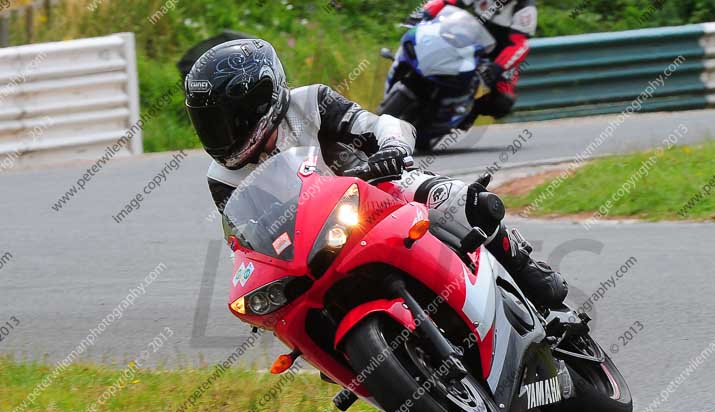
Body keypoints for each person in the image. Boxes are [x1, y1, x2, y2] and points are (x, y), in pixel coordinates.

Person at [184, 39, 567, 311]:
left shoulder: (310, 102)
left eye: (228, 119)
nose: (221, 133)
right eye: (209, 123)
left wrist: (392, 149)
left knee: (461, 202)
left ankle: (522, 266)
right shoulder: (222, 178)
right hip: (315, 246)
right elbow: (248, 243)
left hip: (380, 191)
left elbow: (381, 124)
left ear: (261, 98)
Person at [407, 0, 538, 126]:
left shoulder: (526, 9)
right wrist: (422, 14)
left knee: (503, 101)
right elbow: (446, 1)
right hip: (469, 38)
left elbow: (519, 45)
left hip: (499, 56)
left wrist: (497, 67)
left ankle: (467, 114)